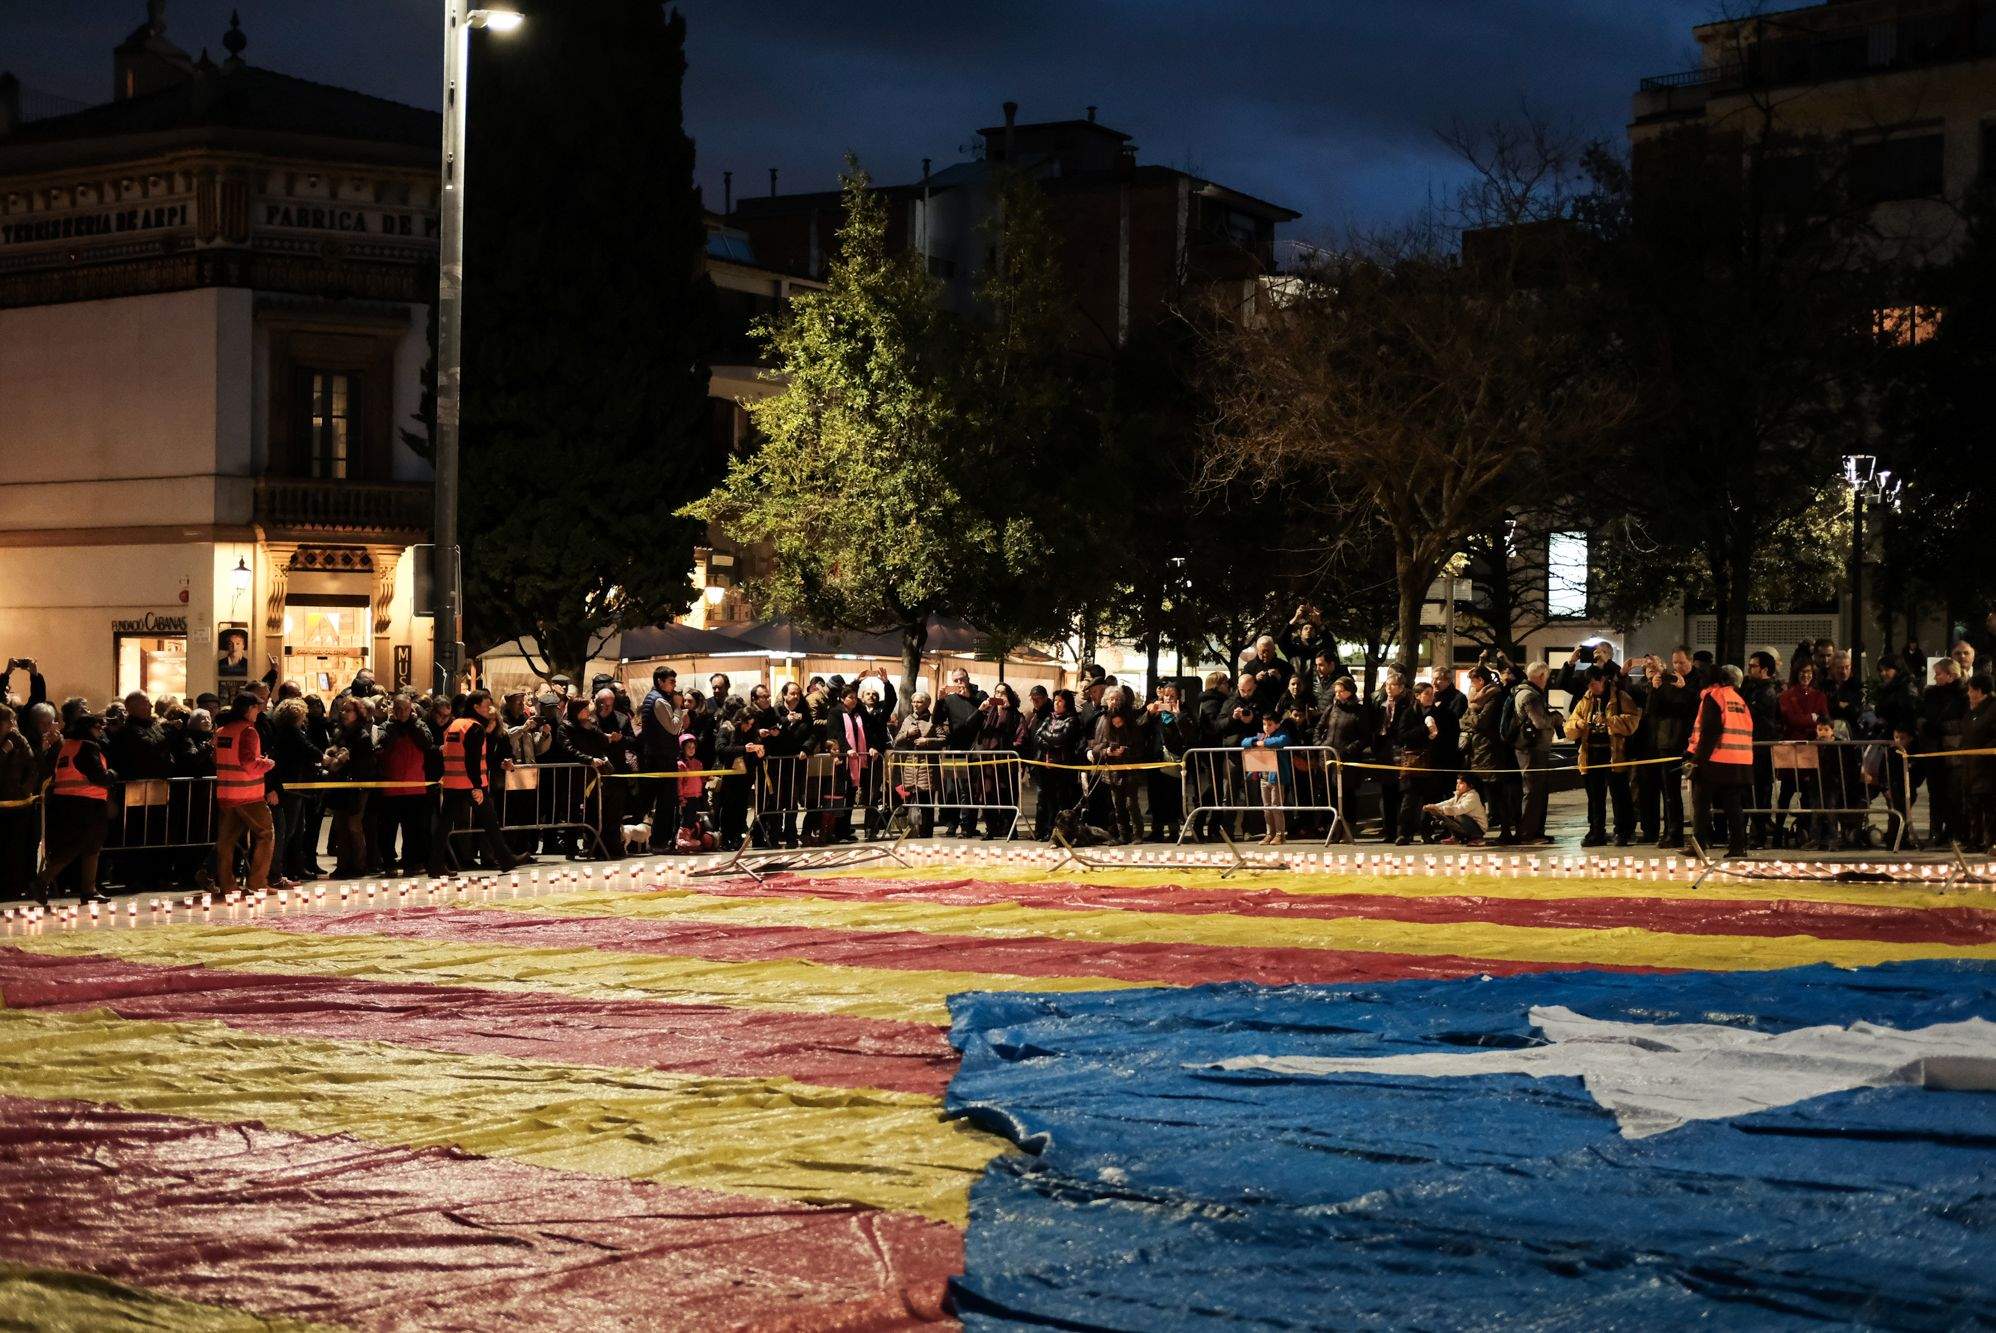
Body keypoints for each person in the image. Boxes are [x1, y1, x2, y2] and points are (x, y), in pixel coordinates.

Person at [436, 690, 519, 874]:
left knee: (444, 826)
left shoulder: (454, 724)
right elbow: (472, 759)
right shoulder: (475, 727)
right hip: (471, 784)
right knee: (490, 823)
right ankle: (506, 860)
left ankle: (435, 865)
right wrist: (477, 786)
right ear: (475, 707)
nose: (489, 709)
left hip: (452, 782)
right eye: (486, 705)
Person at [1565, 665, 1640, 847]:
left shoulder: (1620, 697)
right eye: (1588, 685)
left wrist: (1609, 721)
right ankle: (1596, 830)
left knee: (1619, 794)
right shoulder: (1585, 700)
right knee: (1594, 796)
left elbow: (1632, 720)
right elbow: (1569, 725)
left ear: (1602, 680)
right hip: (1591, 753)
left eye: (1593, 684)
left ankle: (1623, 830)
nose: (1591, 688)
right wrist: (1579, 724)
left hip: (1614, 753)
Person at [1687, 665, 1755, 858]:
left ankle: (1699, 845)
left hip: (1716, 760)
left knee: (1701, 804)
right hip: (1739, 760)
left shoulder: (1713, 696)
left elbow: (1710, 731)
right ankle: (1738, 847)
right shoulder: (1737, 698)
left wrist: (1697, 760)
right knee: (1733, 806)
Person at [211, 694, 275, 896]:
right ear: (249, 709)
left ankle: (227, 885)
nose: (259, 711)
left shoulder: (222, 731)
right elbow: (248, 762)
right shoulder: (248, 731)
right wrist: (267, 763)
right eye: (257, 707)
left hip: (226, 794)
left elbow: (217, 758)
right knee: (266, 834)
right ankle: (258, 883)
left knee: (226, 841)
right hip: (248, 794)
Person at [1639, 655, 1695, 850]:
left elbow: (1689, 711)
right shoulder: (1657, 686)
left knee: (1673, 791)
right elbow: (1650, 711)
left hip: (1676, 744)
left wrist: (1683, 689)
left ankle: (1675, 832)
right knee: (1662, 791)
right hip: (1660, 744)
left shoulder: (1684, 685)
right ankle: (1667, 831)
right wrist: (1654, 690)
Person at [1773, 659, 1830, 849]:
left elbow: (1823, 719)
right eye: (1803, 671)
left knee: (1808, 794)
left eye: (1809, 672)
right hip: (1792, 749)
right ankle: (1778, 833)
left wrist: (1808, 720)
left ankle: (1806, 832)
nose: (1806, 675)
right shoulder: (1787, 695)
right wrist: (1811, 719)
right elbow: (1790, 719)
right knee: (1786, 793)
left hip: (1811, 750)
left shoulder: (1819, 695)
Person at [1087, 686, 1143, 844]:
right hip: (1112, 771)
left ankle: (1138, 835)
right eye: (1111, 699)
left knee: (1131, 804)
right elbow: (1097, 745)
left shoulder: (1131, 721)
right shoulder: (1102, 719)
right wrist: (1106, 752)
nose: (1114, 702)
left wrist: (1125, 751)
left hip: (1130, 770)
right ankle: (1123, 835)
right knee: (1118, 805)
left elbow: (1139, 746)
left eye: (1117, 699)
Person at [1510, 663, 1556, 845]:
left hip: (1531, 748)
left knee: (1537, 791)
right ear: (1542, 676)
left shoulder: (1524, 692)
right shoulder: (1530, 695)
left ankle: (1536, 831)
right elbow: (1539, 722)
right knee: (1534, 792)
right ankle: (1528, 833)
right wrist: (1555, 718)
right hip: (1532, 749)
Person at [1242, 711, 1293, 845]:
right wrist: (1256, 742)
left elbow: (1282, 741)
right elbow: (1244, 741)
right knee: (1267, 808)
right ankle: (1269, 833)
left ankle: (1280, 834)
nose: (1266, 727)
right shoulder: (1261, 736)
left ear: (1277, 725)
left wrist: (1264, 743)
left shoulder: (1282, 734)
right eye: (1264, 724)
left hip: (1277, 777)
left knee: (1276, 806)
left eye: (1270, 724)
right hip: (1264, 777)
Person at [1959, 674, 1996, 851]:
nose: (1968, 694)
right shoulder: (1974, 710)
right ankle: (1976, 839)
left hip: (1988, 766)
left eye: (1970, 690)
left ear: (1979, 691)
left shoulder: (1992, 709)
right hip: (1972, 765)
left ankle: (1991, 840)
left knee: (1989, 804)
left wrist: (1982, 753)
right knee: (1973, 803)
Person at [1423, 774, 1489, 846]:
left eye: (1461, 783)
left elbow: (1460, 809)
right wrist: (1433, 806)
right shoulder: (1459, 794)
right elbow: (1448, 802)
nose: (1458, 785)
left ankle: (1478, 838)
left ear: (1470, 785)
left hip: (1478, 829)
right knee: (1446, 814)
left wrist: (1440, 809)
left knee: (1458, 815)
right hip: (1466, 825)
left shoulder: (1473, 796)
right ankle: (1456, 837)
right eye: (1457, 783)